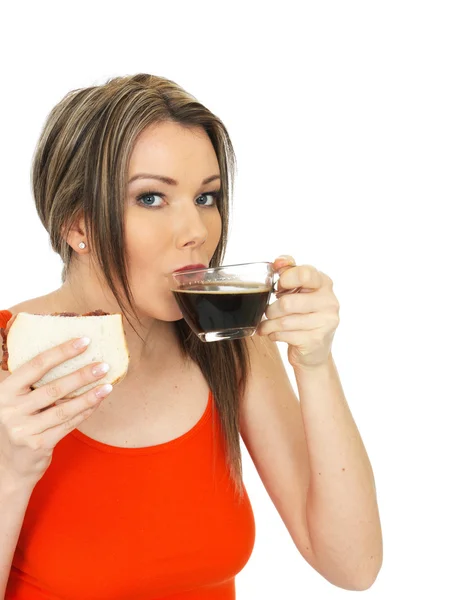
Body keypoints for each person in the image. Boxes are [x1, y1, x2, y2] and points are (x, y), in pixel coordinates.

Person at [0, 74, 382, 599]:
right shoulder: (7, 360)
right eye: (152, 197)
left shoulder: (230, 345)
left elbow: (353, 565)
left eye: (207, 197)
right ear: (76, 223)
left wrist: (314, 363)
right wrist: (10, 473)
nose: (197, 231)